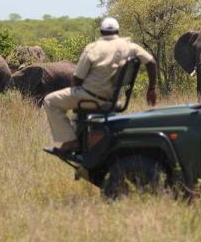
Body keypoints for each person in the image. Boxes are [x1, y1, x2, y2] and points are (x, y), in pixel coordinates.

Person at [43, 17, 158, 154]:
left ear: (101, 32)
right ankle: (80, 138)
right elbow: (151, 62)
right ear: (117, 32)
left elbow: (77, 79)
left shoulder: (93, 48)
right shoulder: (131, 47)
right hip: (113, 101)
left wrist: (77, 90)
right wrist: (151, 89)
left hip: (92, 98)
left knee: (50, 101)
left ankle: (71, 141)